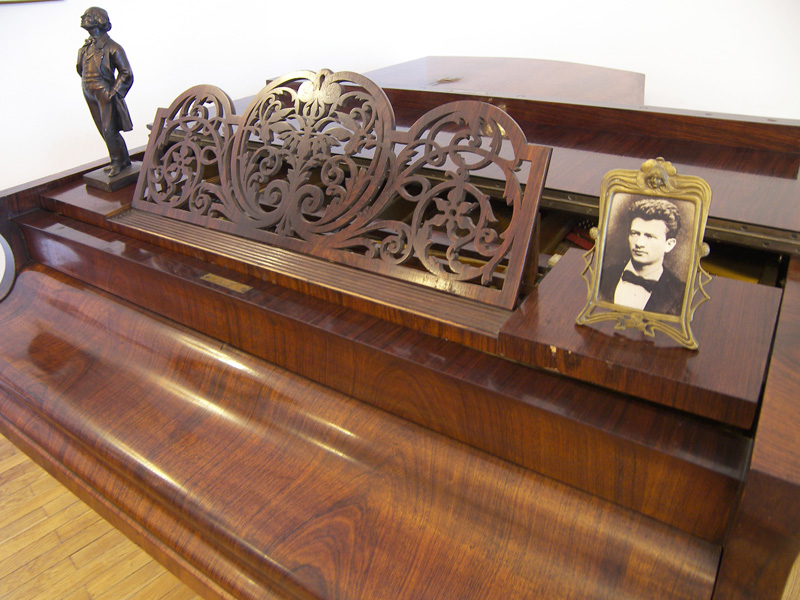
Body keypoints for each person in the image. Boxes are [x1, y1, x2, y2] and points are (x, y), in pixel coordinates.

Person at [598, 198, 686, 316]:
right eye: (635, 233)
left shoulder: (680, 293)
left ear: (669, 244)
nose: (639, 243)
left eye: (649, 236)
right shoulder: (604, 275)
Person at [77, 7, 133, 178]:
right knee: (103, 129)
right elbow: (80, 69)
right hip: (89, 90)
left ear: (99, 20)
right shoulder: (85, 48)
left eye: (88, 15)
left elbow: (126, 73)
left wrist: (113, 92)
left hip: (104, 91)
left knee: (110, 129)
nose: (83, 17)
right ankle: (122, 160)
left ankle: (118, 162)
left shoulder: (113, 47)